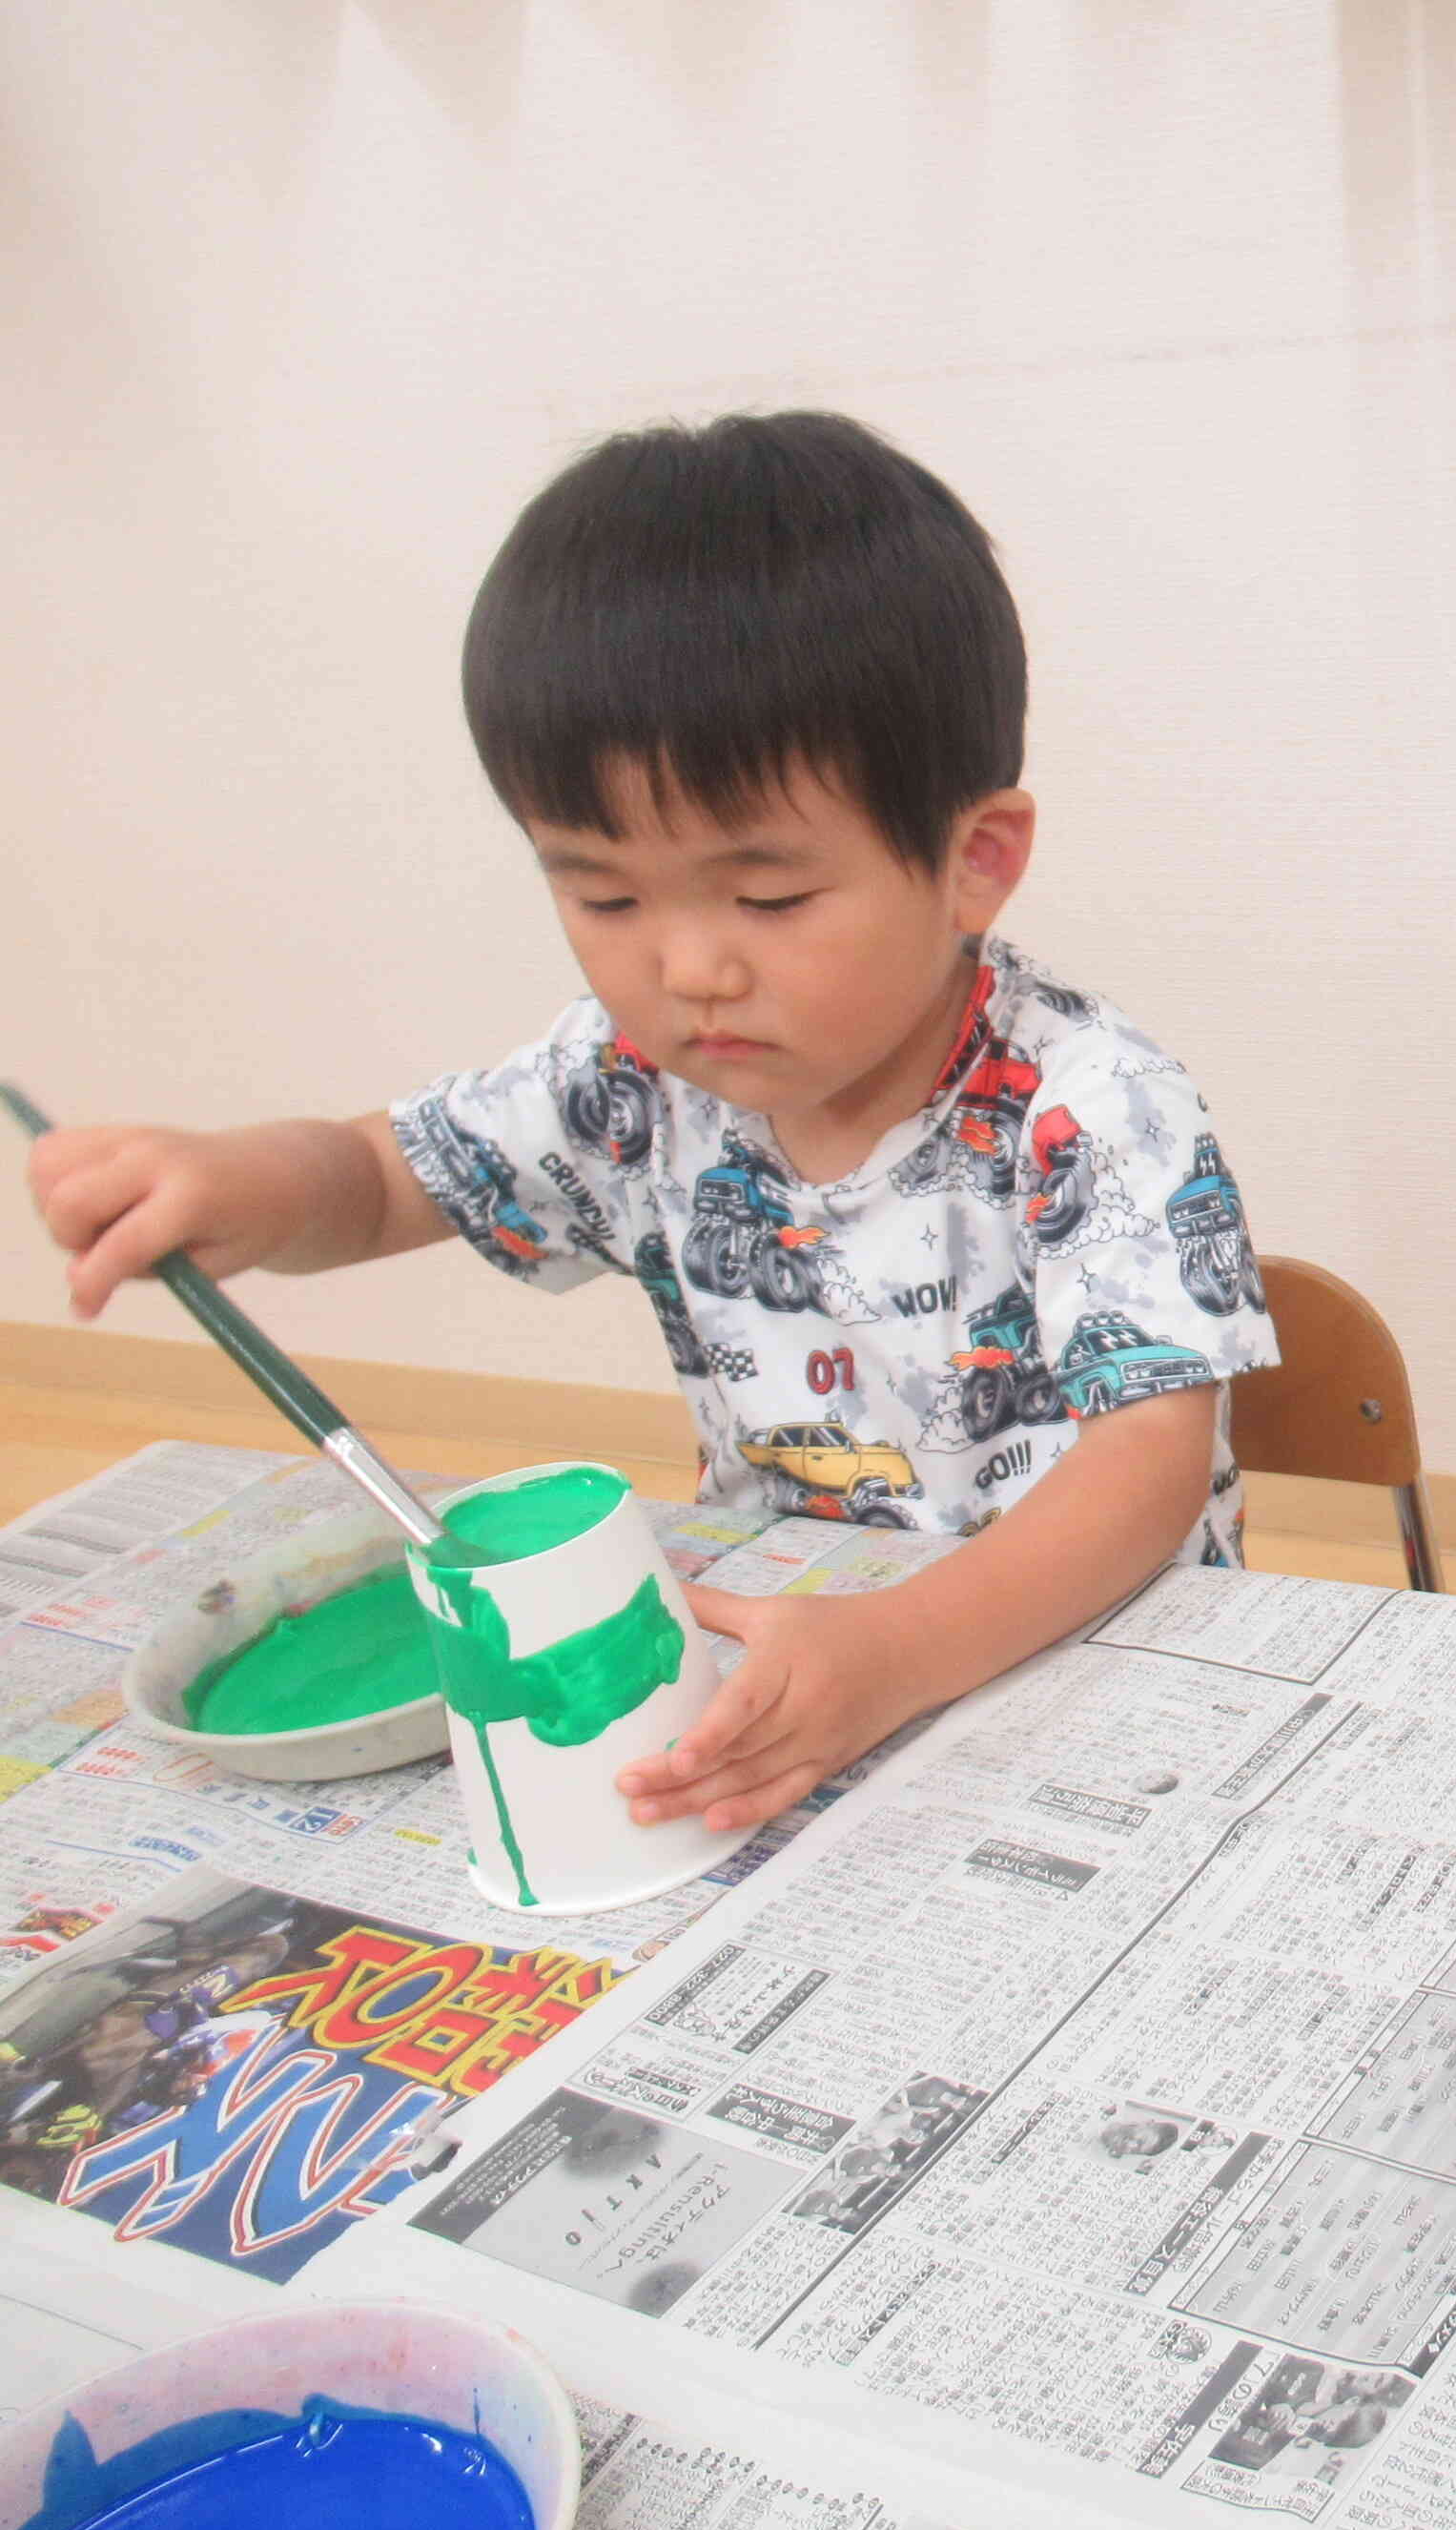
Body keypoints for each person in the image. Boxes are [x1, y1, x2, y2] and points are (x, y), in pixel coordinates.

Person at [25, 413, 1279, 1833]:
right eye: (607, 897)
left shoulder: (1092, 1108)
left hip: (1100, 1679)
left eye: (768, 898)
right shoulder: (634, 1083)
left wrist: (892, 1655)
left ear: (973, 859)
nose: (687, 968)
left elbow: (1149, 1470)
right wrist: (244, 1180)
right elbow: (382, 1182)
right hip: (792, 1675)